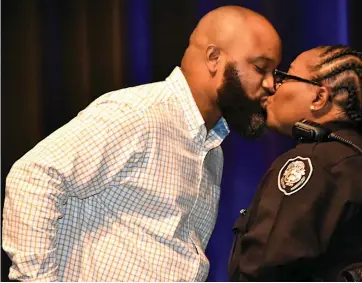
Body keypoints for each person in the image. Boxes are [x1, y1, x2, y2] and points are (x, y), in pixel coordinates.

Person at [2, 5, 281, 282]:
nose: (270, 84)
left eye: (275, 73)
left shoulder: (212, 147)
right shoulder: (140, 114)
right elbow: (33, 176)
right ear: (213, 58)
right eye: (260, 68)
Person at [228, 45, 362, 281]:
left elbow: (265, 269)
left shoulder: (314, 162)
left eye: (285, 77)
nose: (272, 87)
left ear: (319, 97)